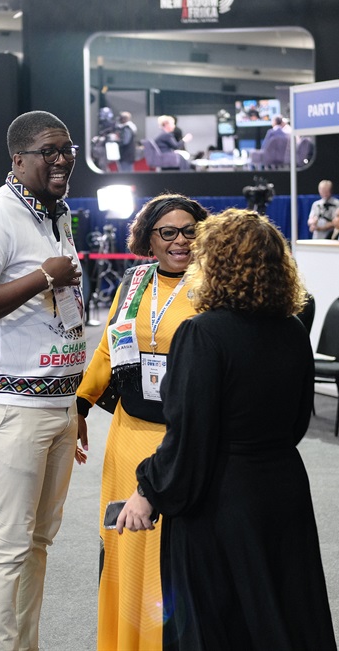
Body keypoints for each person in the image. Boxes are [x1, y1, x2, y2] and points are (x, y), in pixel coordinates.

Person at [116, 208, 337, 650]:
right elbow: (298, 421)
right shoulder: (293, 329)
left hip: (221, 502)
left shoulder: (202, 333)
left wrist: (147, 490)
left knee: (220, 626)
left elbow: (190, 436)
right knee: (284, 616)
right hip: (283, 488)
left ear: (214, 263)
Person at [0, 110, 85, 650]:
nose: (62, 158)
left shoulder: (56, 212)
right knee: (6, 547)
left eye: (67, 148)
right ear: (19, 159)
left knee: (39, 544)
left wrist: (74, 400)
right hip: (10, 408)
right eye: (50, 150)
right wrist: (43, 276)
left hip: (57, 404)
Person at [75, 194, 209, 651]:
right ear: (148, 239)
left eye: (189, 230)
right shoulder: (133, 282)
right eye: (167, 232)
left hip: (184, 438)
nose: (180, 241)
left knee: (173, 555)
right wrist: (81, 403)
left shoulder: (216, 285)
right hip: (129, 435)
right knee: (125, 547)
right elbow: (110, 348)